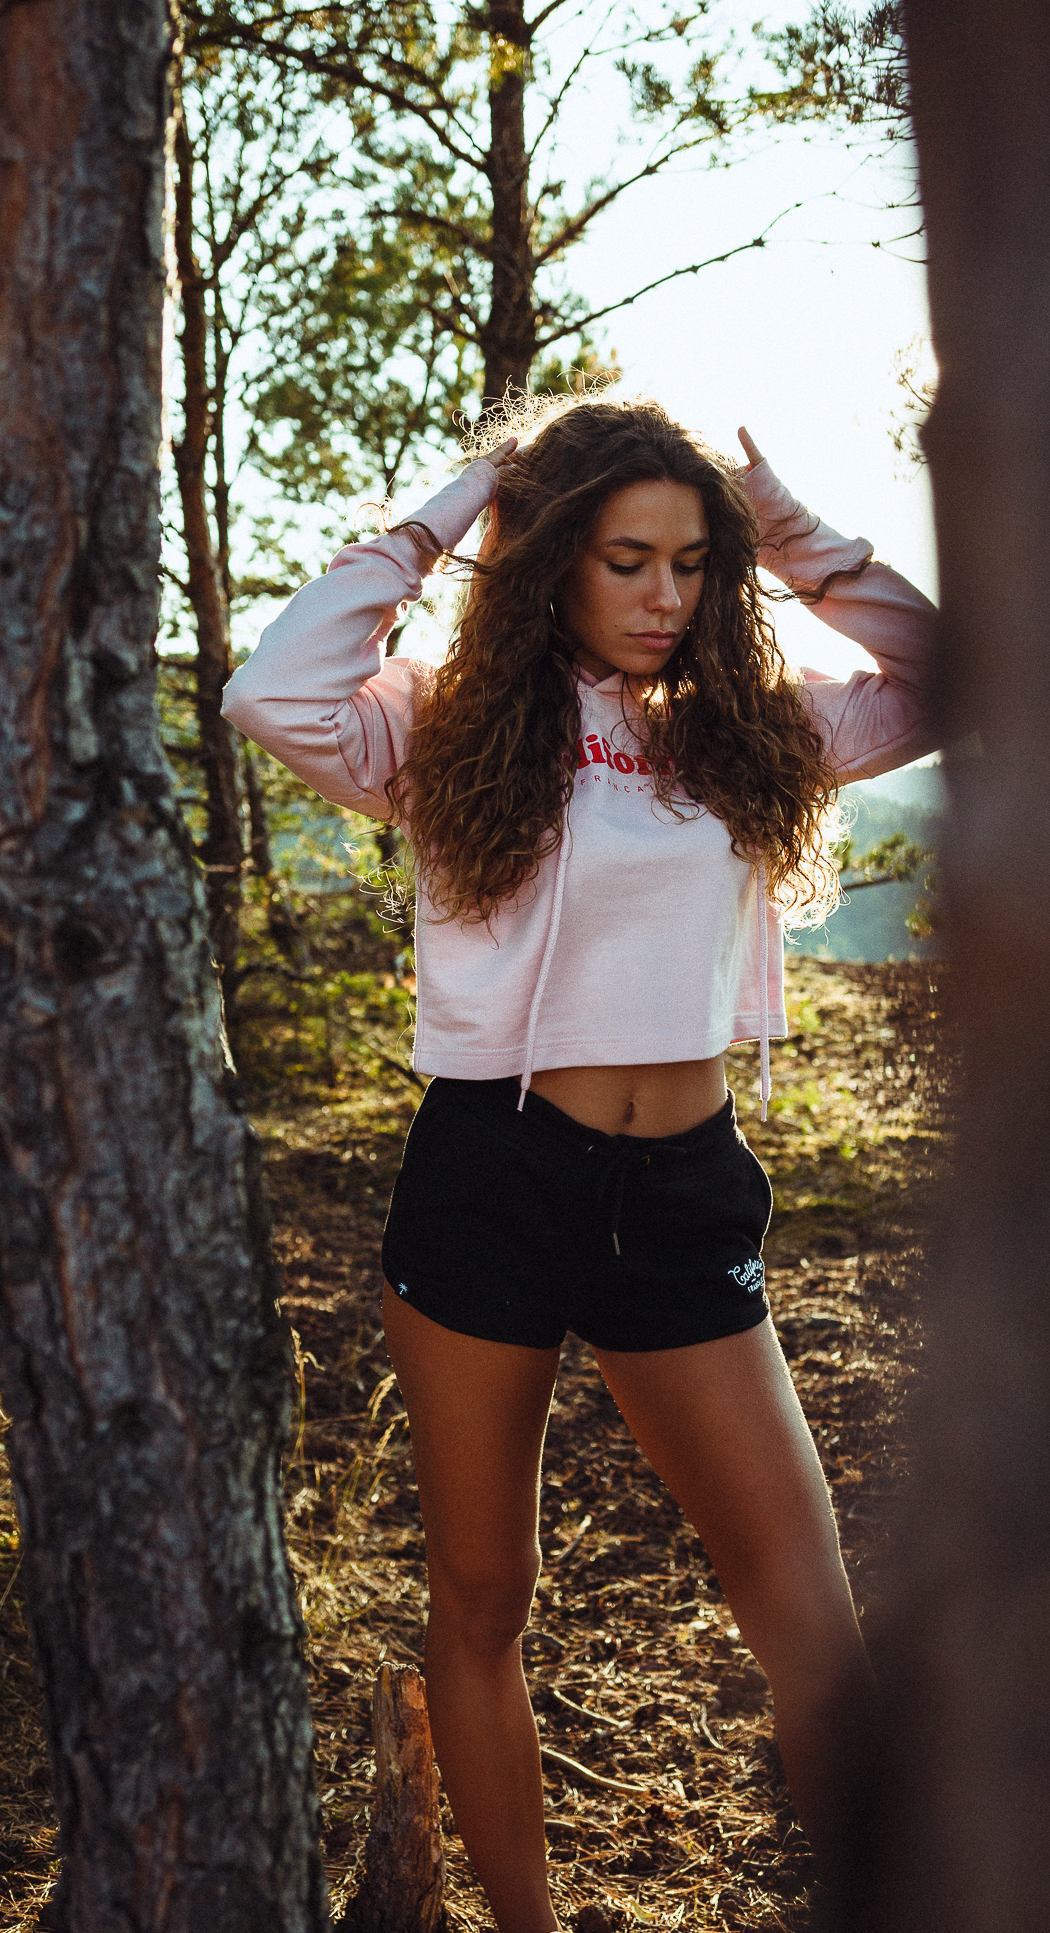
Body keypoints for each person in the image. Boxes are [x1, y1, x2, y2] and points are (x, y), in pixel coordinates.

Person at [223, 395, 938, 1933]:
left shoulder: (745, 730)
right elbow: (269, 693)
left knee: (805, 1608)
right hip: (492, 1177)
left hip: (682, 1196)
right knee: (484, 1597)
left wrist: (787, 528)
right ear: (551, 559)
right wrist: (450, 506)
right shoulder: (447, 722)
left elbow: (955, 676)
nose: (664, 596)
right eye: (626, 560)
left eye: (691, 562)